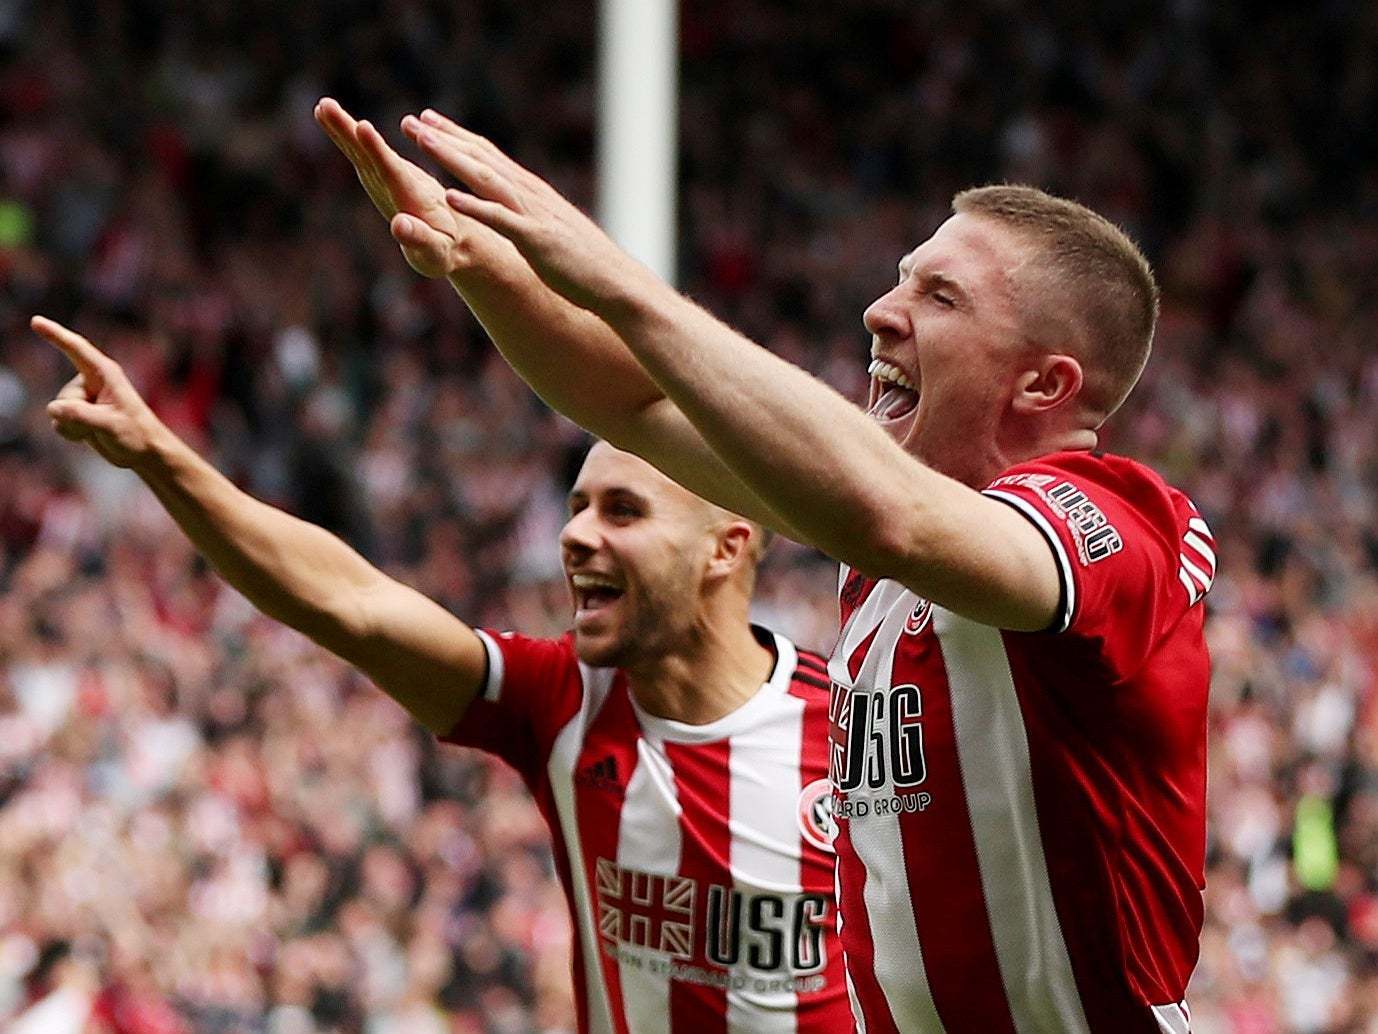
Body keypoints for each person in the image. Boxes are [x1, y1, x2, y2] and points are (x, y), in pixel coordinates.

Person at [326, 105, 1216, 1032]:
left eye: (940, 298)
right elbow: (631, 405)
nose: (881, 311)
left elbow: (893, 517)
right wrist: (480, 261)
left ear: (1045, 385)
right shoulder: (882, 555)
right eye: (900, 280)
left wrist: (624, 285)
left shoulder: (1120, 519)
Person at [34, 314, 852, 1034]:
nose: (576, 537)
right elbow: (350, 603)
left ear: (727, 546)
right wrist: (160, 456)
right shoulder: (559, 699)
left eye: (624, 511)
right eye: (576, 508)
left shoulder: (856, 725)